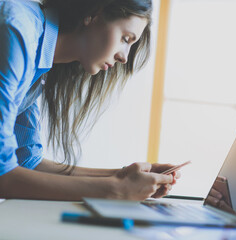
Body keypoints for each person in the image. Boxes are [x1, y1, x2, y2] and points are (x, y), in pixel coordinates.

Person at [0, 0, 180, 201]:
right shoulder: (17, 32)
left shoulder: (38, 57)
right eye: (125, 38)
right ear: (94, 13)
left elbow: (27, 161)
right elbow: (3, 175)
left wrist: (121, 176)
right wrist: (115, 189)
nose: (124, 58)